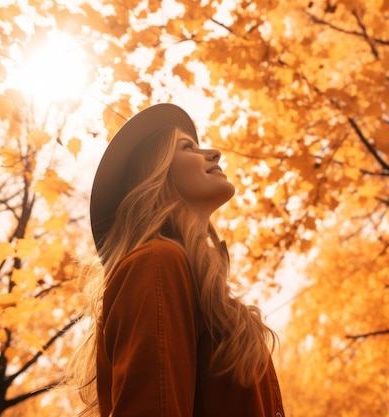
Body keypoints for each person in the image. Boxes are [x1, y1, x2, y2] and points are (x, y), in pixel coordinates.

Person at [67, 103, 285, 417]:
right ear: (157, 173)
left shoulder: (198, 285)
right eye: (188, 148)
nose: (214, 154)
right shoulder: (156, 264)